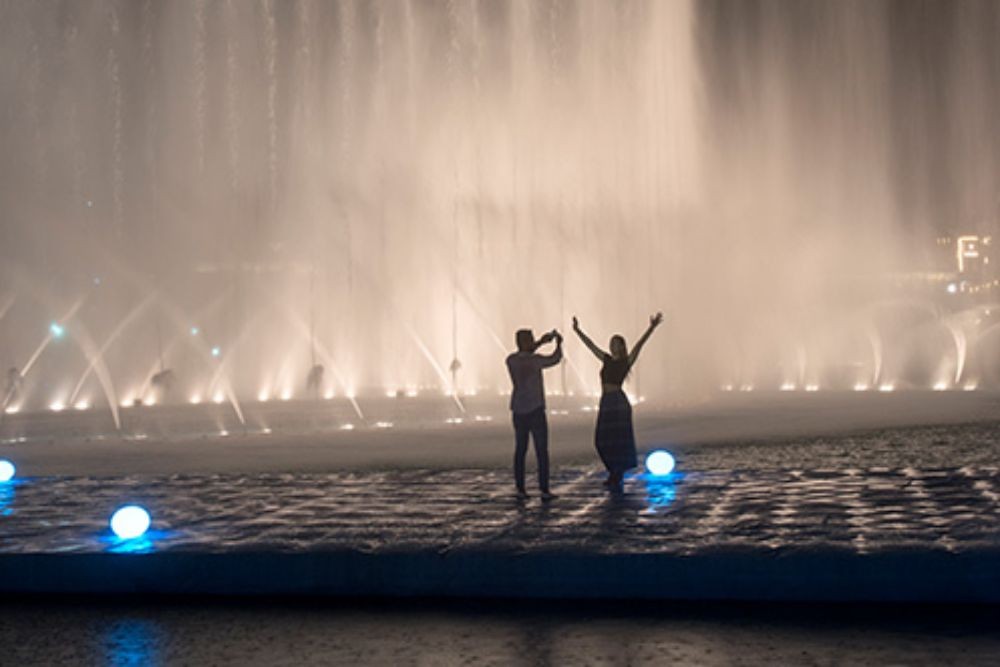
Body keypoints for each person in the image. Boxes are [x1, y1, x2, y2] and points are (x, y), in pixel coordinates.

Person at [573, 312, 663, 494]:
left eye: (617, 344)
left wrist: (651, 328)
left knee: (618, 441)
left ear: (622, 347)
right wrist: (577, 330)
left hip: (618, 402)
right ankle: (614, 471)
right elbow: (590, 346)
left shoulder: (626, 361)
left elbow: (640, 345)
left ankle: (616, 474)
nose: (613, 346)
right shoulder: (606, 359)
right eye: (612, 343)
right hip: (606, 402)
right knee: (601, 440)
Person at [506, 327, 563, 499]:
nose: (533, 341)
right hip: (536, 409)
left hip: (518, 409)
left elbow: (525, 352)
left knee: (520, 449)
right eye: (530, 339)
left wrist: (541, 341)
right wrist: (558, 344)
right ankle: (544, 490)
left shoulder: (511, 360)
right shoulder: (536, 360)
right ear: (525, 342)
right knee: (541, 450)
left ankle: (520, 488)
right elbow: (555, 359)